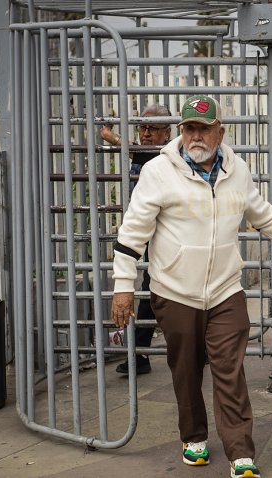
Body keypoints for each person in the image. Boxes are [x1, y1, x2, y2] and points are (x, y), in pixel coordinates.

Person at [110, 95, 272, 478]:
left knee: (230, 370)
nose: (196, 136)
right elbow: (132, 234)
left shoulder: (238, 170)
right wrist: (123, 286)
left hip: (226, 290)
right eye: (189, 128)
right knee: (186, 368)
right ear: (181, 131)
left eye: (204, 128)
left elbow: (262, 214)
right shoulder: (158, 172)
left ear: (220, 132)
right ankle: (193, 437)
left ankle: (240, 453)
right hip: (175, 291)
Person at [100, 104, 172, 375]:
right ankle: (141, 353)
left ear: (168, 132)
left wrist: (114, 138)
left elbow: (142, 151)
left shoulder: (166, 154)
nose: (146, 133)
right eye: (142, 127)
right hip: (148, 231)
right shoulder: (145, 154)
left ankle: (196, 348)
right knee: (150, 288)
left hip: (168, 234)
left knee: (161, 289)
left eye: (153, 128)